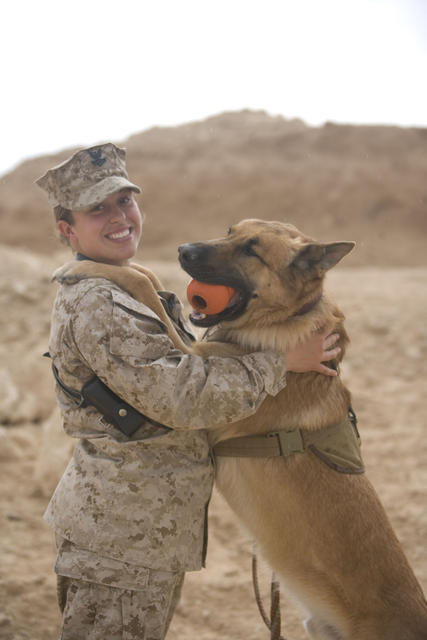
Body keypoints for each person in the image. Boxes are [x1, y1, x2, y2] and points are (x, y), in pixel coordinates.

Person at [36, 143, 341, 640]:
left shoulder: (125, 285)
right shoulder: (98, 302)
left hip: (143, 529)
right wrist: (282, 363)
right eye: (97, 210)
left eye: (124, 202)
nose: (119, 217)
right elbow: (181, 397)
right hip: (121, 536)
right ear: (67, 230)